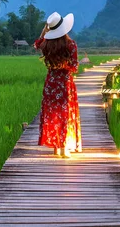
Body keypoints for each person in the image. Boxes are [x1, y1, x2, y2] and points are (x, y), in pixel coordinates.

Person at [34, 12, 82, 158]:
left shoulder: (46, 44)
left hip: (51, 83)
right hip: (64, 83)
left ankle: (56, 147)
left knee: (52, 113)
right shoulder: (71, 44)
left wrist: (44, 31)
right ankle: (63, 148)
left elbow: (37, 44)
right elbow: (74, 67)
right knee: (64, 113)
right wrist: (63, 65)